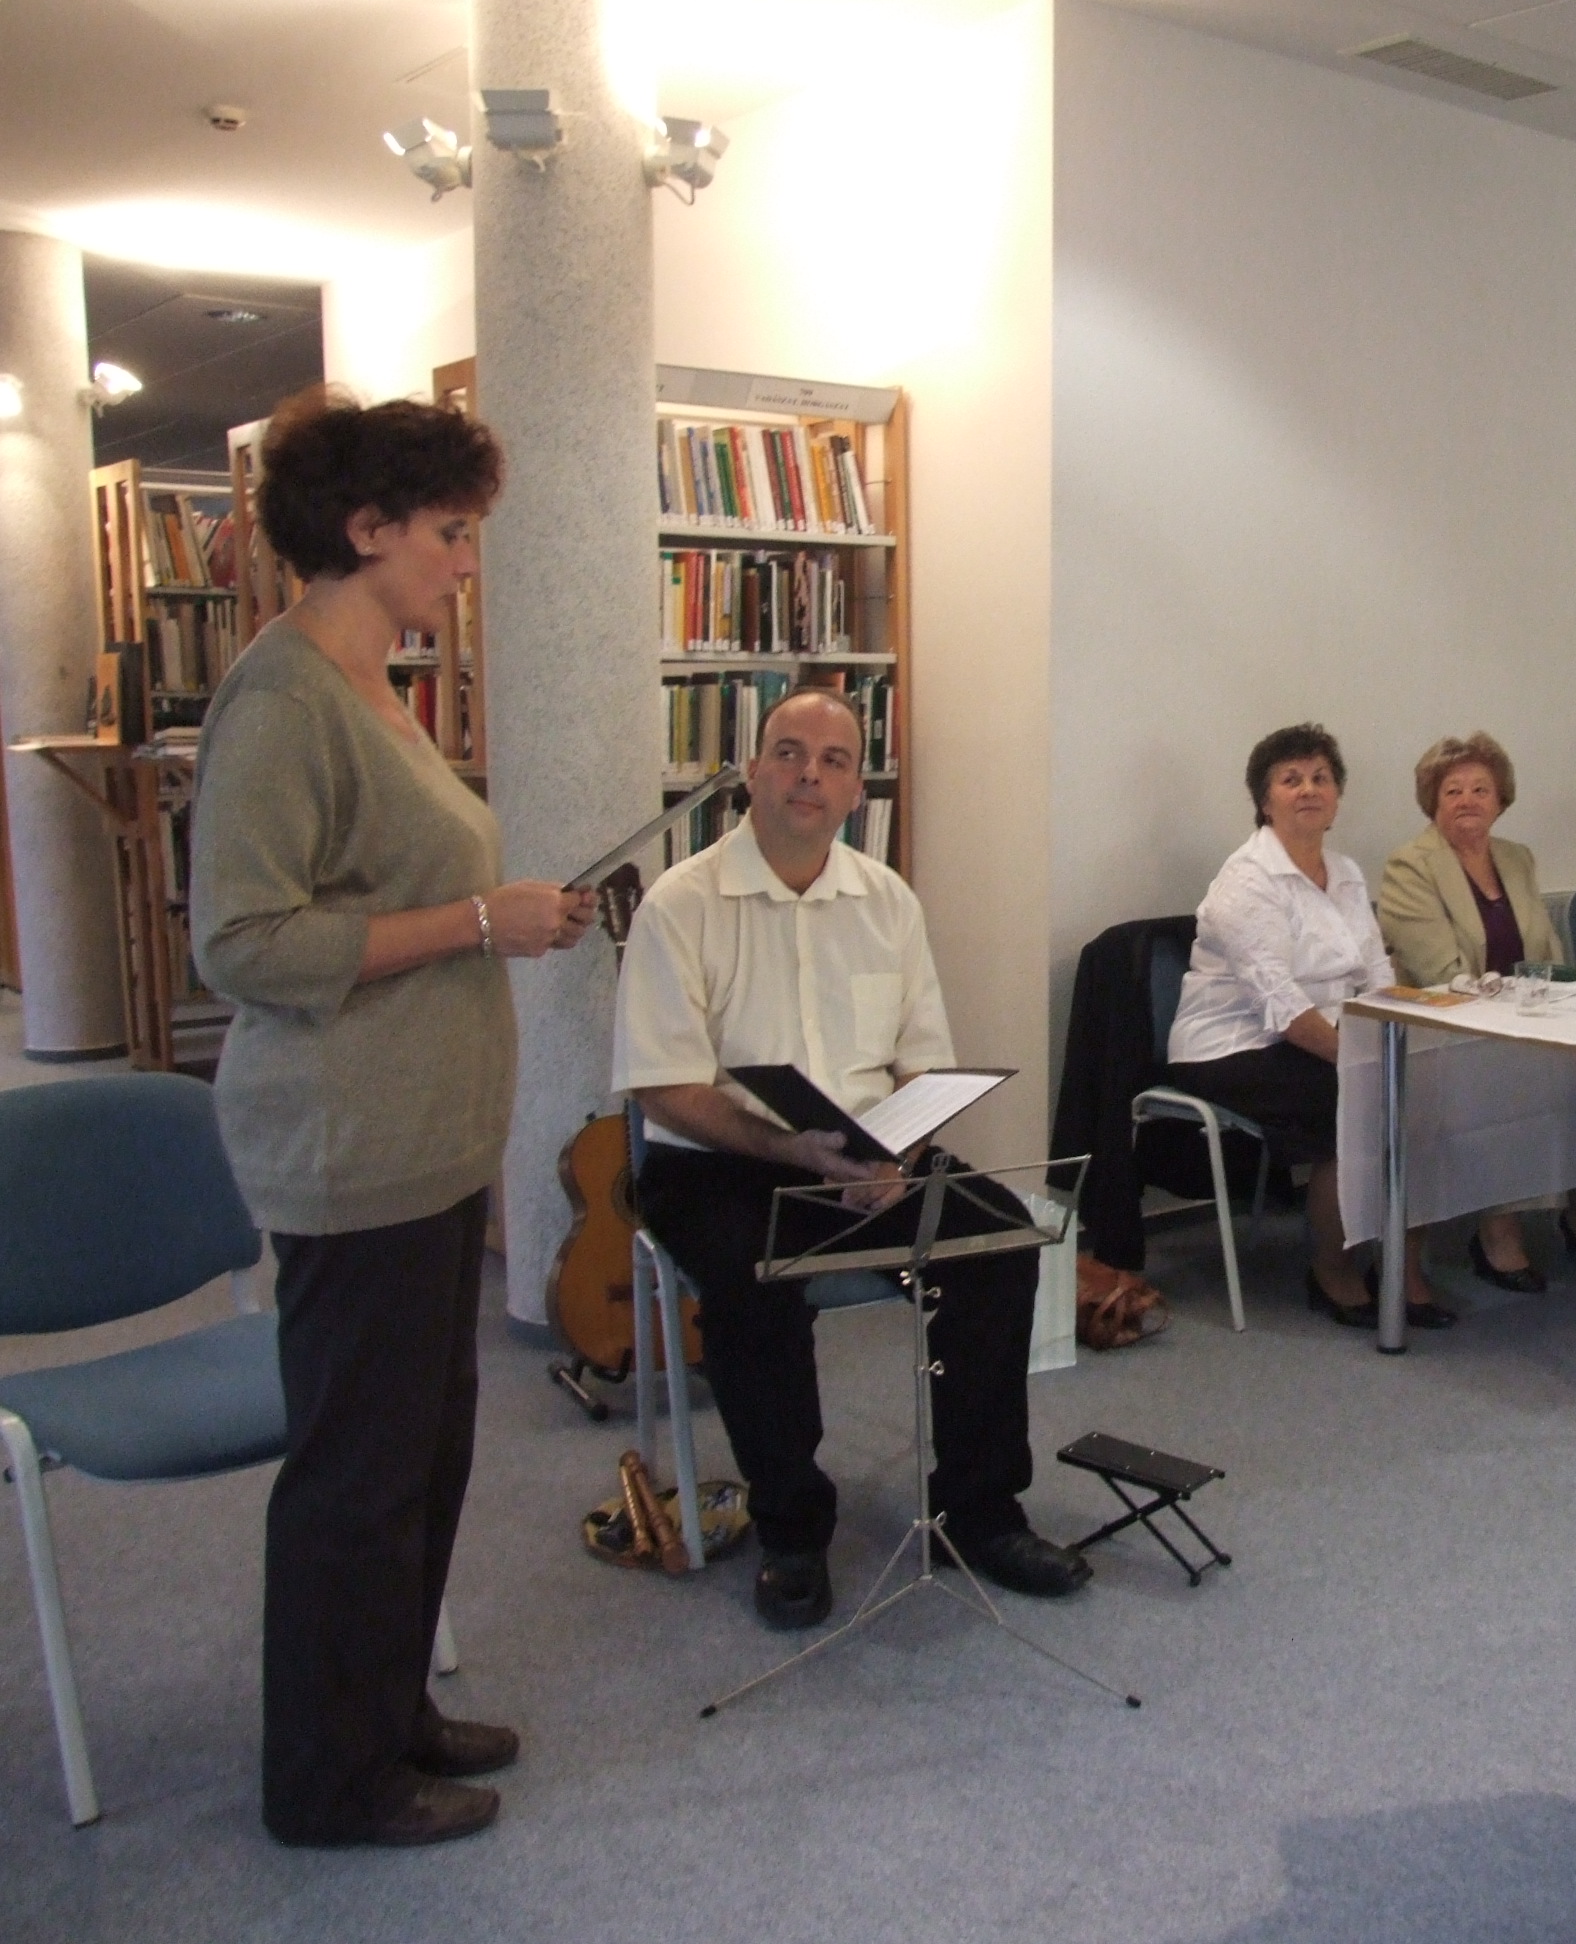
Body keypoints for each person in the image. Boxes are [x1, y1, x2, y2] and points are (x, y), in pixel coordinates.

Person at [191, 390, 596, 1848]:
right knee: (355, 1481)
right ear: (365, 529)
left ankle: (389, 1713)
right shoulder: (283, 698)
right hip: (348, 1149)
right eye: (448, 533)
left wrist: (499, 917)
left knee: (424, 1459)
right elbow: (243, 942)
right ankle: (328, 1780)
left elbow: (386, 895)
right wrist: (478, 921)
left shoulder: (370, 685)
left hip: (424, 1147)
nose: (466, 563)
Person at [615, 688, 1090, 1630]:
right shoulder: (680, 904)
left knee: (999, 1246)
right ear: (751, 772)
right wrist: (788, 1148)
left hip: (874, 1152)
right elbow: (664, 1089)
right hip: (721, 1156)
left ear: (856, 791)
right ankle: (792, 1531)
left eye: (833, 761)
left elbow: (921, 1064)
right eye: (789, 753)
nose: (809, 775)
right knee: (755, 1281)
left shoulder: (887, 900)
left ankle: (981, 1512)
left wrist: (894, 1154)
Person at [1167, 724, 1449, 1329]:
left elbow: (1376, 974)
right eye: (1291, 780)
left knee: (1424, 1090)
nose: (1309, 790)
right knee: (1354, 1101)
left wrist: (1402, 1037)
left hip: (1326, 1035)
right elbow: (1282, 1006)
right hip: (1234, 1045)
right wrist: (1365, 1060)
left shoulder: (1345, 872)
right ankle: (1333, 1272)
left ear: (1337, 797)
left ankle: (1401, 1268)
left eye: (1321, 778)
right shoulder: (1246, 880)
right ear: (1264, 801)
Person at [1377, 732, 1576, 1283]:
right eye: (1453, 790)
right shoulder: (1409, 866)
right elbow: (1444, 974)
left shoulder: (1516, 857)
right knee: (1512, 1076)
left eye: (1480, 789)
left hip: (1524, 1016)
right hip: (1448, 1029)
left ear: (1500, 799)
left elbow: (1547, 952)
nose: (1468, 800)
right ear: (1432, 801)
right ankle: (1498, 1228)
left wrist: (1560, 1010)